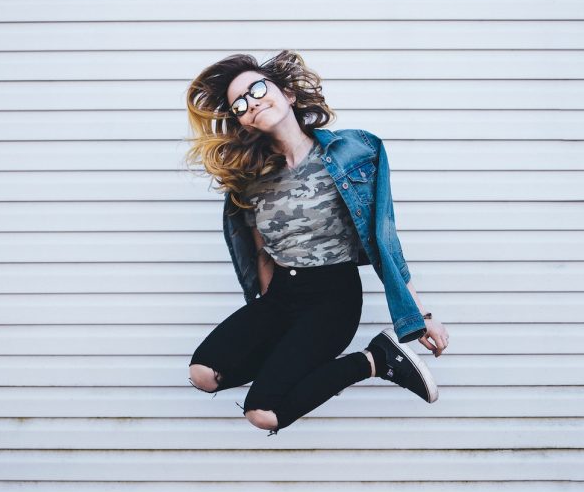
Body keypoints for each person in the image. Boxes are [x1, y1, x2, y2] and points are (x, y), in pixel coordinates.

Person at [184, 49, 450, 436]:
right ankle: (307, 362)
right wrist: (264, 314)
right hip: (280, 297)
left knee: (263, 413)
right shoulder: (249, 179)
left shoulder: (354, 153)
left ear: (288, 94)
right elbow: (258, 251)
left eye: (257, 88)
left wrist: (419, 316)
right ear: (242, 122)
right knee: (204, 373)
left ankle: (374, 360)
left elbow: (384, 239)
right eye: (240, 104)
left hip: (332, 299)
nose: (251, 103)